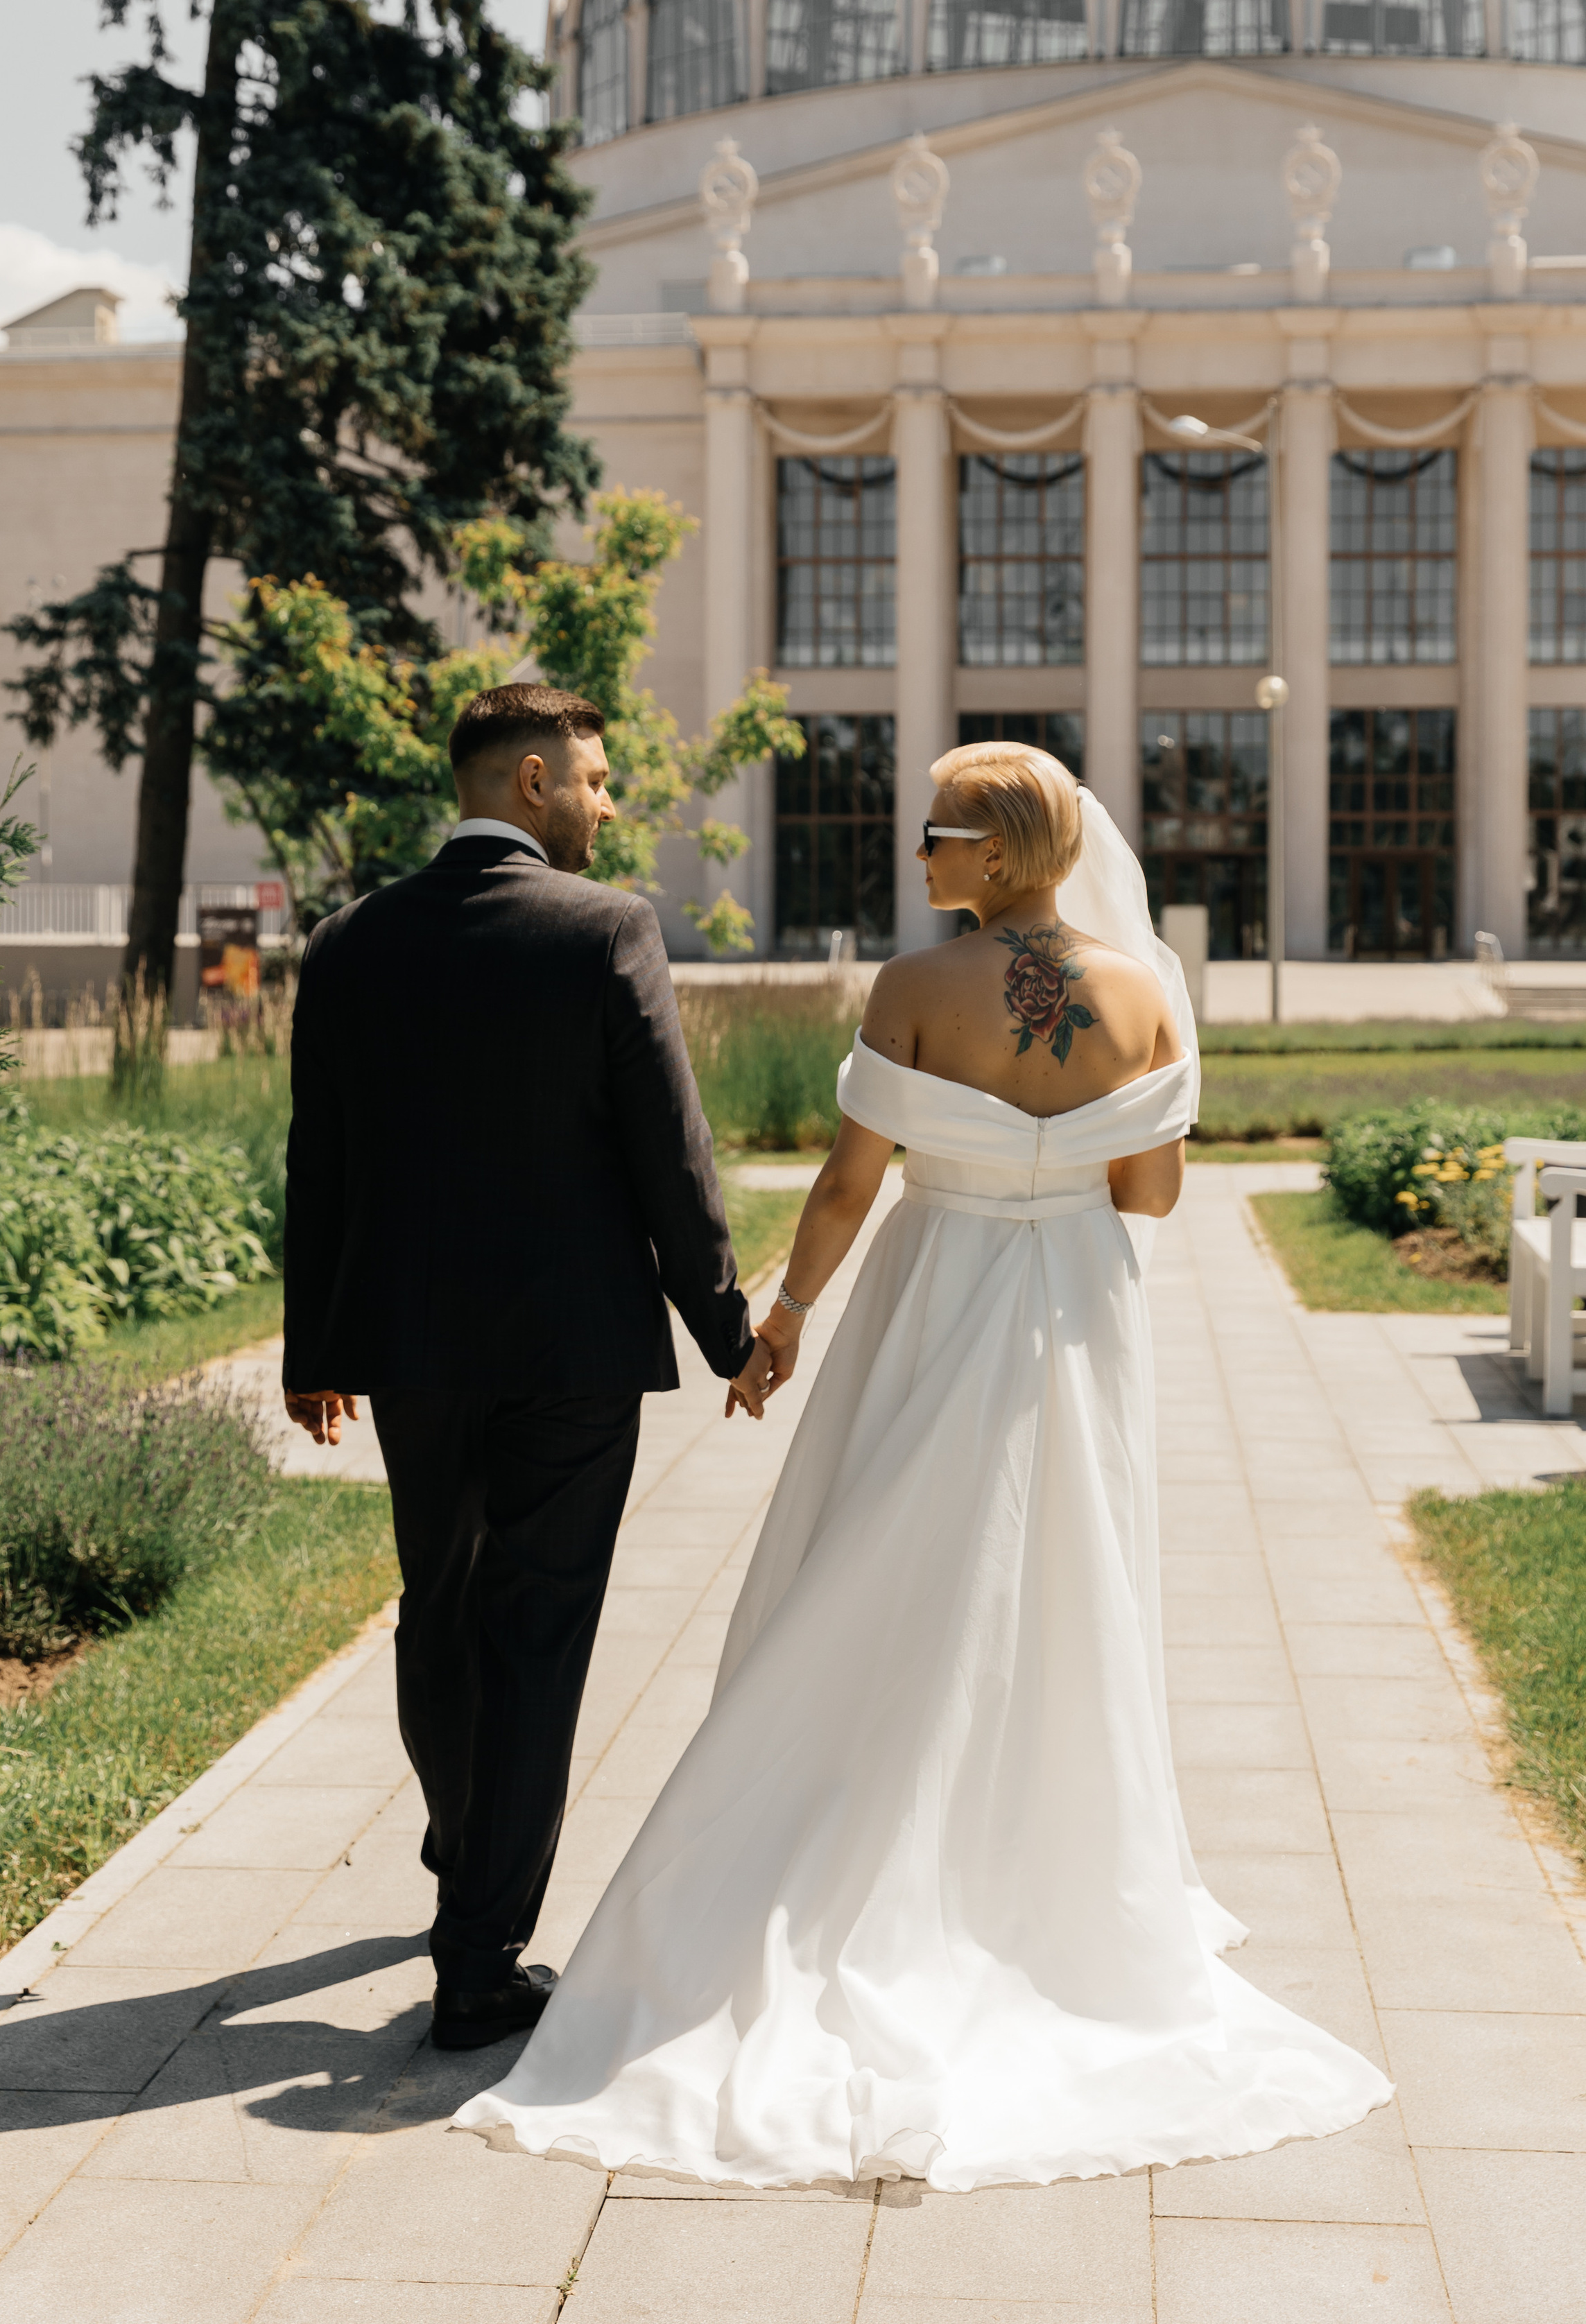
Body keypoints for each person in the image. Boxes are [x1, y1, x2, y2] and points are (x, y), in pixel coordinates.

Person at [454, 742, 1393, 2189]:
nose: (920, 857)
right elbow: (1147, 1193)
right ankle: (1040, 1842)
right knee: (1061, 1571)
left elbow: (848, 1179)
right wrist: (1059, 1160)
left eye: (942, 835)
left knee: (881, 1551)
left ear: (1003, 854)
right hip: (1075, 1302)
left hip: (932, 1285)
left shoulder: (909, 989)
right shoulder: (1144, 995)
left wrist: (783, 1321)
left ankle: (853, 1819)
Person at [282, 682, 763, 2054]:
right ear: (535, 781)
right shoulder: (603, 929)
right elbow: (667, 1152)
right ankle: (479, 1961)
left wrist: (313, 1348)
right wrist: (727, 1331)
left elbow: (323, 1159)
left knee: (436, 1599)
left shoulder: (349, 941)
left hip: (408, 1345)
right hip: (570, 1349)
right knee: (535, 1628)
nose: (610, 804)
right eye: (599, 781)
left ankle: (460, 1848)